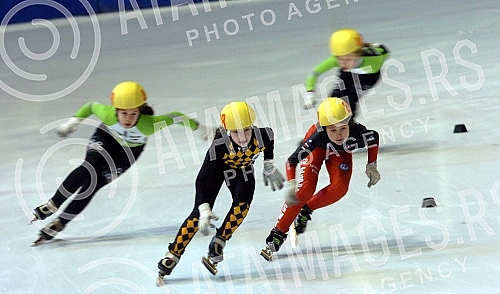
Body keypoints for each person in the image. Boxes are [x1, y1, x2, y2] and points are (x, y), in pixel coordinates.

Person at [31, 81, 210, 245]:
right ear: (115, 110)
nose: (128, 119)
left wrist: (202, 128)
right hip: (106, 138)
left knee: (93, 185)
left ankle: (60, 223)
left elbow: (176, 117)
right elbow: (91, 106)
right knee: (90, 167)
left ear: (141, 111)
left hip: (127, 153)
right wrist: (73, 122)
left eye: (134, 114)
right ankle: (53, 204)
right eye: (123, 113)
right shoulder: (108, 115)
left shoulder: (148, 125)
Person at [157, 101, 285, 277]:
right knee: (198, 216)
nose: (242, 137)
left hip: (243, 171)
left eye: (246, 130)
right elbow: (201, 180)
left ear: (252, 126)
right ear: (227, 131)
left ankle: (219, 242)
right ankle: (173, 254)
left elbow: (269, 141)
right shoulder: (219, 145)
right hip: (218, 170)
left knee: (242, 207)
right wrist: (203, 207)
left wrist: (268, 162)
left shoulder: (264, 134)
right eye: (236, 132)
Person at [263, 97, 380, 257]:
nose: (339, 134)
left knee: (340, 188)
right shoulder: (317, 137)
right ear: (323, 128)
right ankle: (278, 232)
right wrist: (291, 184)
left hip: (341, 152)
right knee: (306, 188)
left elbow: (374, 137)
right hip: (318, 149)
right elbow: (291, 161)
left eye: (343, 128)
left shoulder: (357, 134)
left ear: (350, 123)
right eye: (332, 129)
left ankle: (306, 209)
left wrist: (371, 164)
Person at [303, 28, 390, 117]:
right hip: (348, 73)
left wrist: (371, 45)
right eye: (340, 58)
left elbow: (385, 51)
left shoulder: (374, 60)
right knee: (333, 101)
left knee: (350, 100)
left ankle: (350, 125)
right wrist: (310, 93)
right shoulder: (337, 61)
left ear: (358, 54)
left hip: (368, 77)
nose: (343, 63)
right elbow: (314, 73)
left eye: (348, 59)